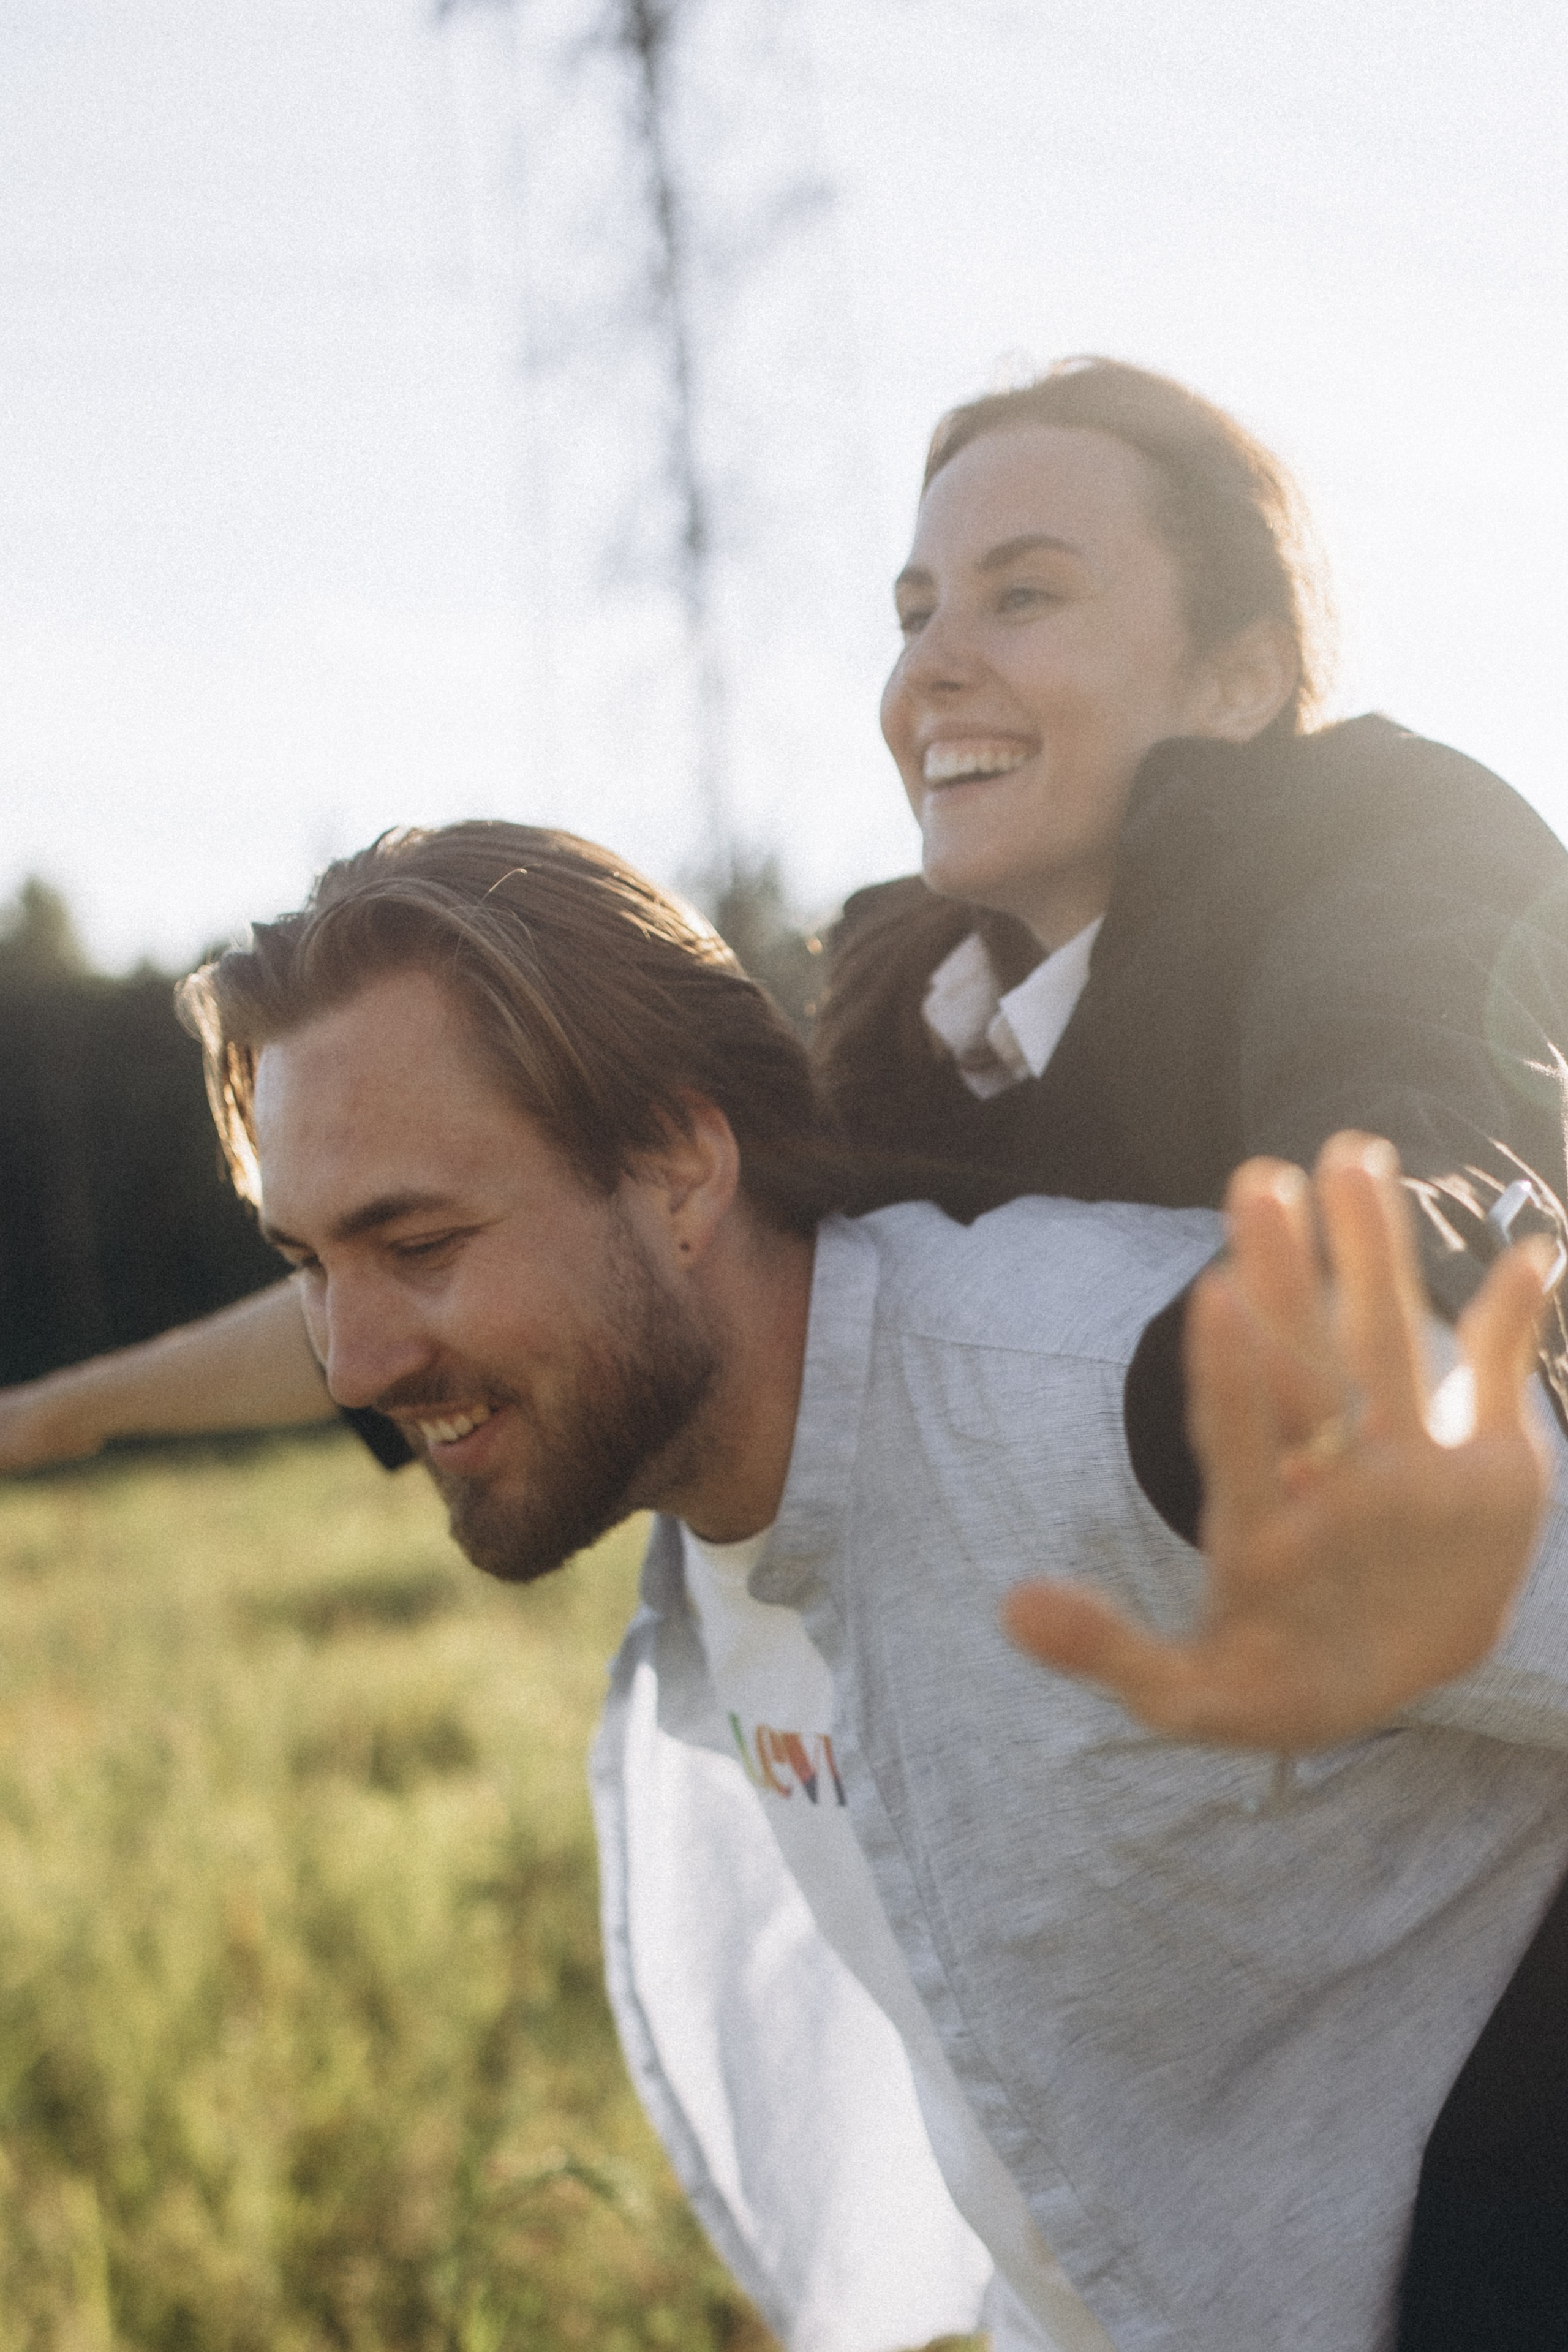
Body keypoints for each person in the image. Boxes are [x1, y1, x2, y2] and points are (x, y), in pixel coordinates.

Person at [4, 357, 1568, 2335]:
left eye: (1024, 593)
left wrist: (1328, 1429)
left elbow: (1432, 1187)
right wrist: (62, 1415)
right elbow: (517, 1261)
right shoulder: (914, 1009)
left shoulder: (1380, 858)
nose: (936, 667)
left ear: (1243, 679)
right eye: (914, 612)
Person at [164, 816, 1568, 2352]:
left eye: (417, 1242)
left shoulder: (1126, 1400)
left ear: (680, 1167)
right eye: (305, 1263)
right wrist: (64, 1414)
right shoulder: (702, 1502)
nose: (352, 1362)